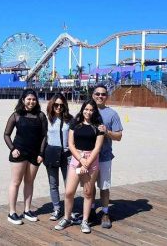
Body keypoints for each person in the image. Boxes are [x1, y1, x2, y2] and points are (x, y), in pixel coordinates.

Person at [55, 99, 104, 234]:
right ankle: (66, 218)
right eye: (86, 109)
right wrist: (81, 159)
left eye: (91, 110)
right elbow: (70, 144)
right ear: (82, 109)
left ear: (94, 111)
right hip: (77, 158)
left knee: (88, 193)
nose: (88, 112)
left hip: (92, 160)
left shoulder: (98, 125)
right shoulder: (75, 123)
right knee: (69, 192)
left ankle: (85, 221)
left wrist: (87, 162)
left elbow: (97, 147)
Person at [4, 89, 47, 225]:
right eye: (28, 99)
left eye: (33, 99)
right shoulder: (16, 115)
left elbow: (45, 136)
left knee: (29, 181)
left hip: (35, 154)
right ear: (23, 100)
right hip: (19, 152)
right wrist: (13, 149)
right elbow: (6, 134)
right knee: (16, 182)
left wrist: (41, 153)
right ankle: (12, 212)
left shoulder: (40, 116)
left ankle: (27, 210)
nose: (31, 101)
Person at [91, 84, 123, 228]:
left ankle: (105, 213)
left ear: (106, 97)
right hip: (88, 156)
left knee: (104, 187)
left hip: (104, 156)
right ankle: (90, 210)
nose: (100, 96)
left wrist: (107, 132)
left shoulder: (112, 114)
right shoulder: (87, 110)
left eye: (103, 94)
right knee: (89, 187)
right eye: (97, 94)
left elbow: (119, 136)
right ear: (93, 95)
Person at [44, 93, 73, 221]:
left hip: (66, 155)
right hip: (51, 154)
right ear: (52, 105)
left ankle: (69, 210)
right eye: (56, 105)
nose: (59, 107)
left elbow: (76, 137)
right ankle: (56, 209)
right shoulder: (47, 119)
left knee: (69, 185)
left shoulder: (70, 120)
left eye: (61, 105)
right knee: (53, 184)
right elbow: (42, 138)